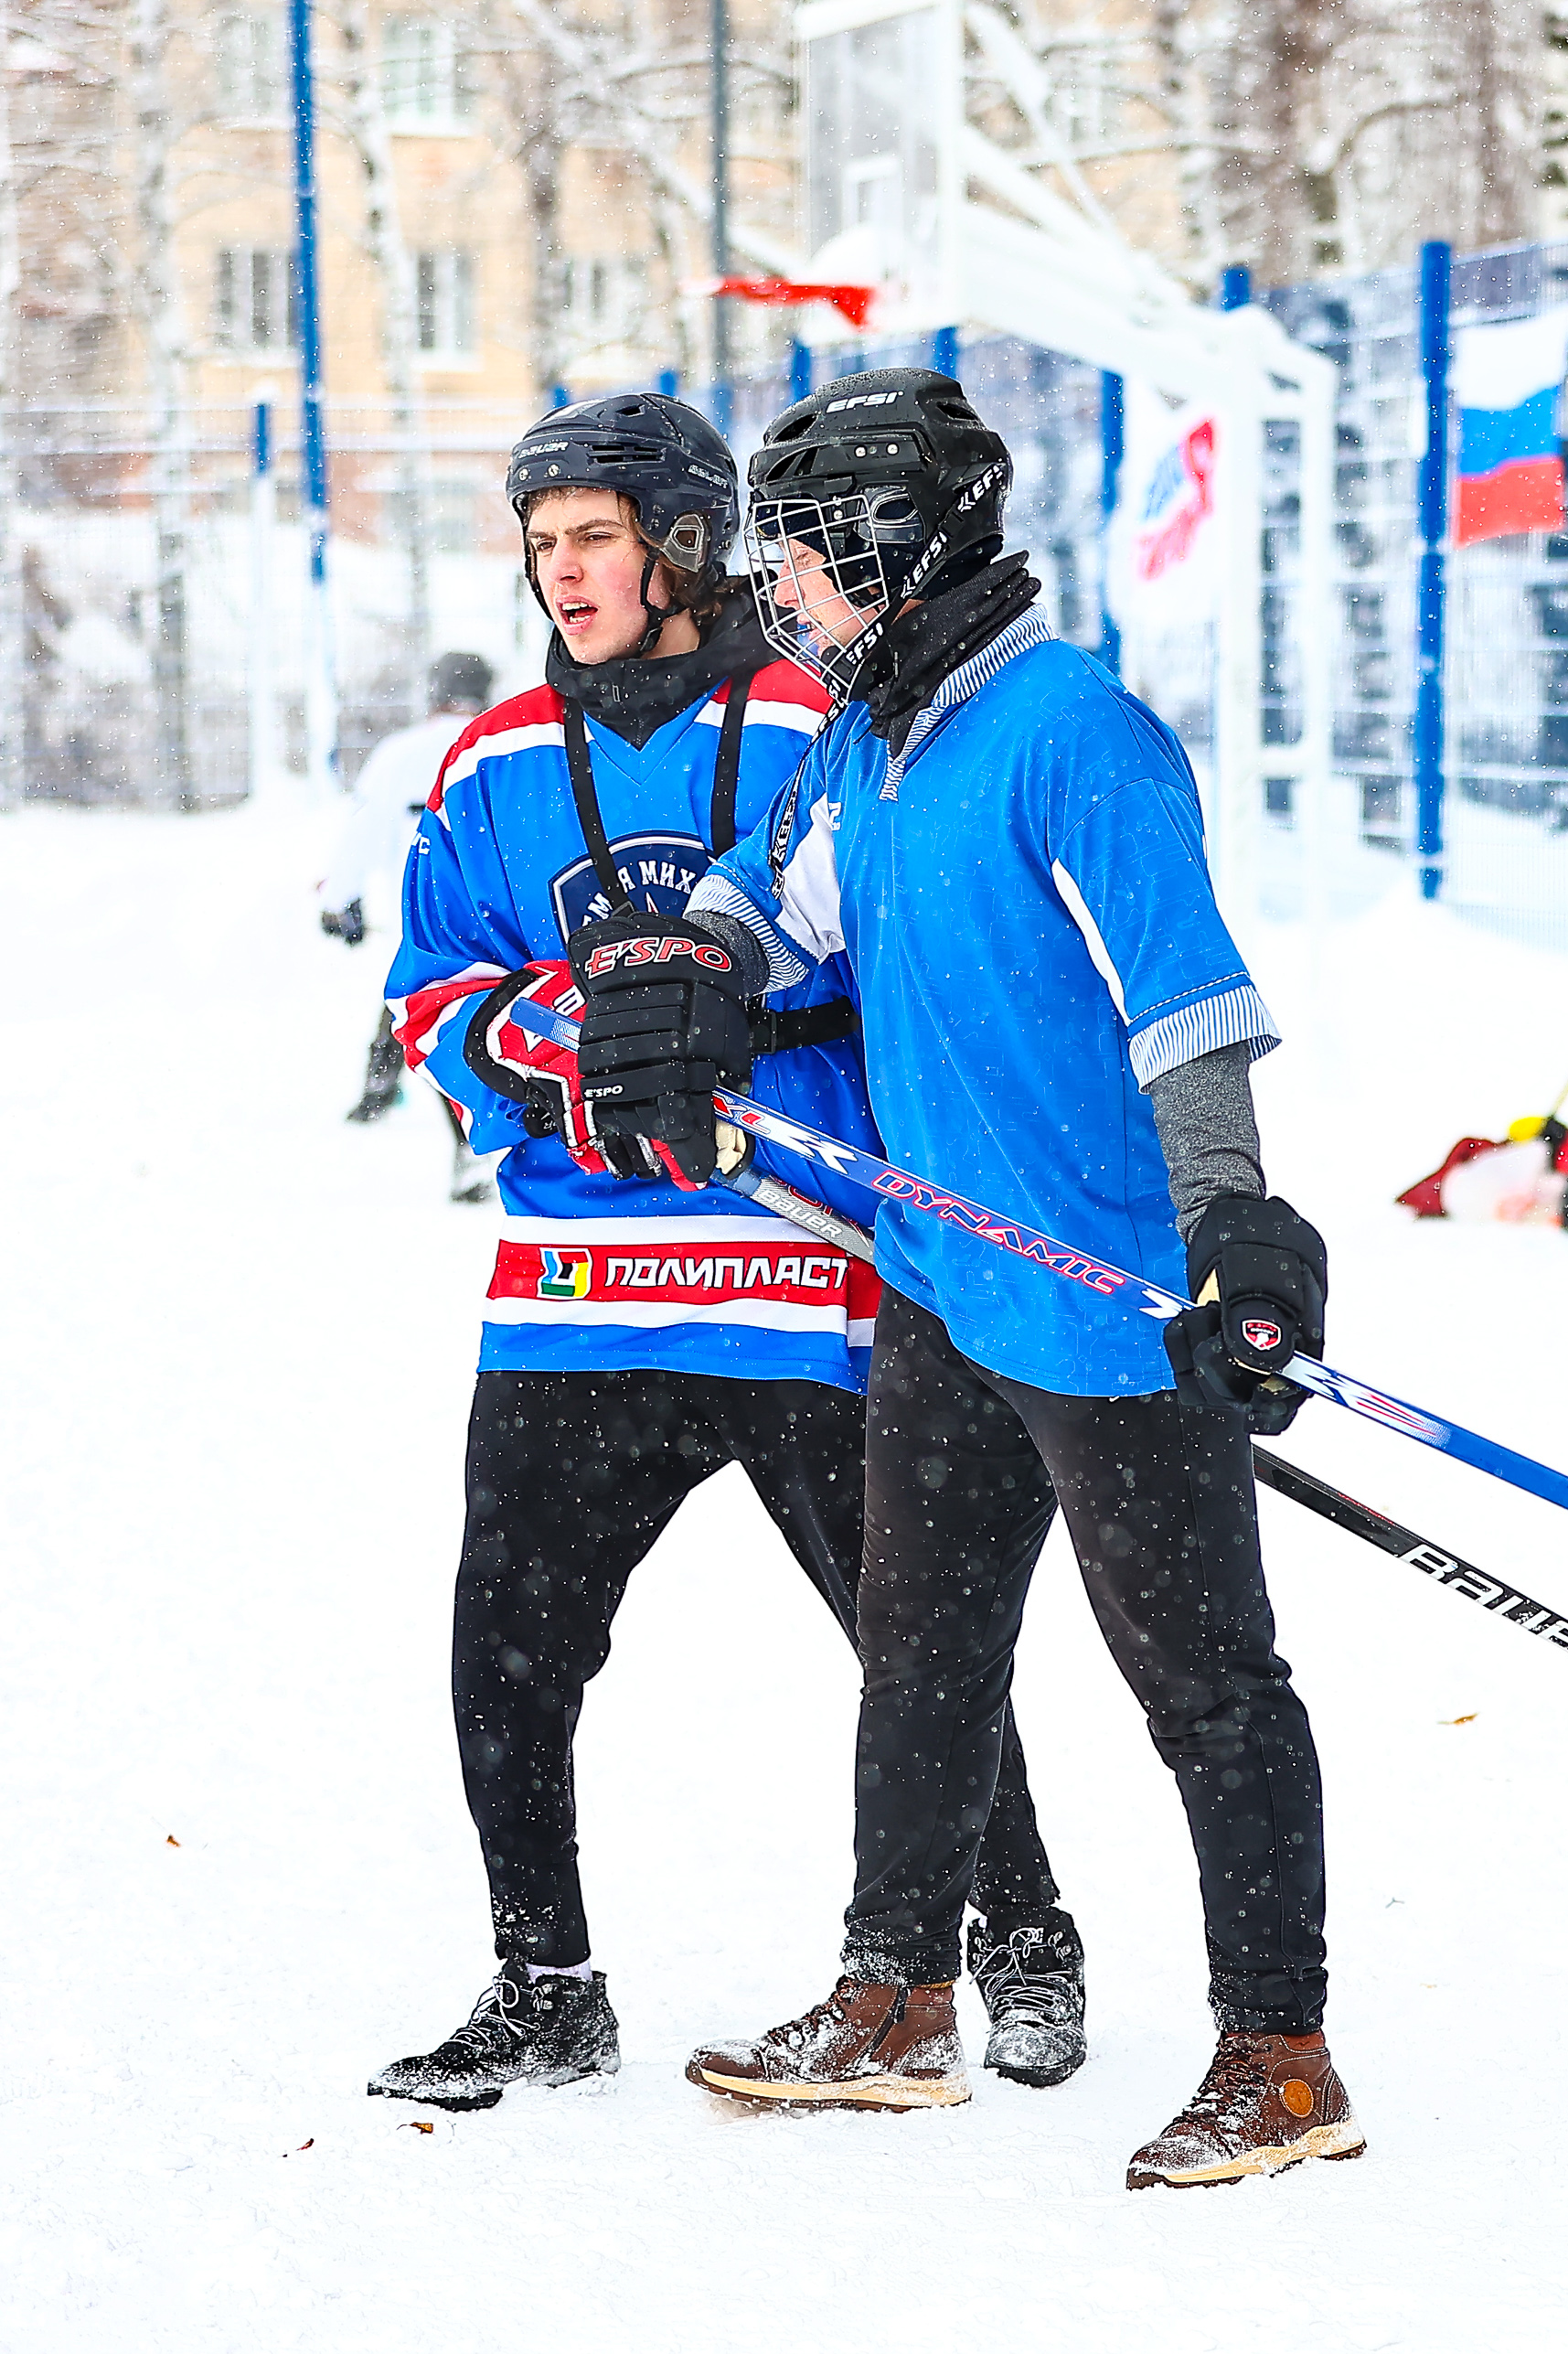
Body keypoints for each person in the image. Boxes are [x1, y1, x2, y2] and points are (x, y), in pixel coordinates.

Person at [569, 369, 1357, 2188]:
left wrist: (1230, 1229)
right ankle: (898, 1992)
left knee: (1211, 1691)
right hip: (937, 1277)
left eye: (801, 557)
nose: (776, 589)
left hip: (1107, 1303)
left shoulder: (1076, 734)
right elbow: (796, 913)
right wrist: (694, 973)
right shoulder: (868, 737)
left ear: (892, 553)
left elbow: (1189, 1014)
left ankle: (1284, 2053)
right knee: (919, 1662)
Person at [363, 390, 1083, 2110]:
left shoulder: (822, 721)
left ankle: (1024, 1936)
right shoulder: (498, 760)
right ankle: (545, 1985)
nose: (564, 574)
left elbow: (887, 963)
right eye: (542, 545)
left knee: (917, 1644)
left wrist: (735, 1025)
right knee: (504, 1653)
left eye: (593, 536)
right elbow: (427, 995)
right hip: (575, 1298)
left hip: (802, 1275)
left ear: (686, 541)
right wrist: (548, 1044)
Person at [320, 650, 493, 1197]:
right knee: (480, 1020)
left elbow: (364, 828)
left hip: (425, 915)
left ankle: (445, 1128)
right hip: (503, 913)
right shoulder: (501, 742)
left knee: (426, 1008)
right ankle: (392, 1094)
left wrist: (340, 900)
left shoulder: (401, 754)